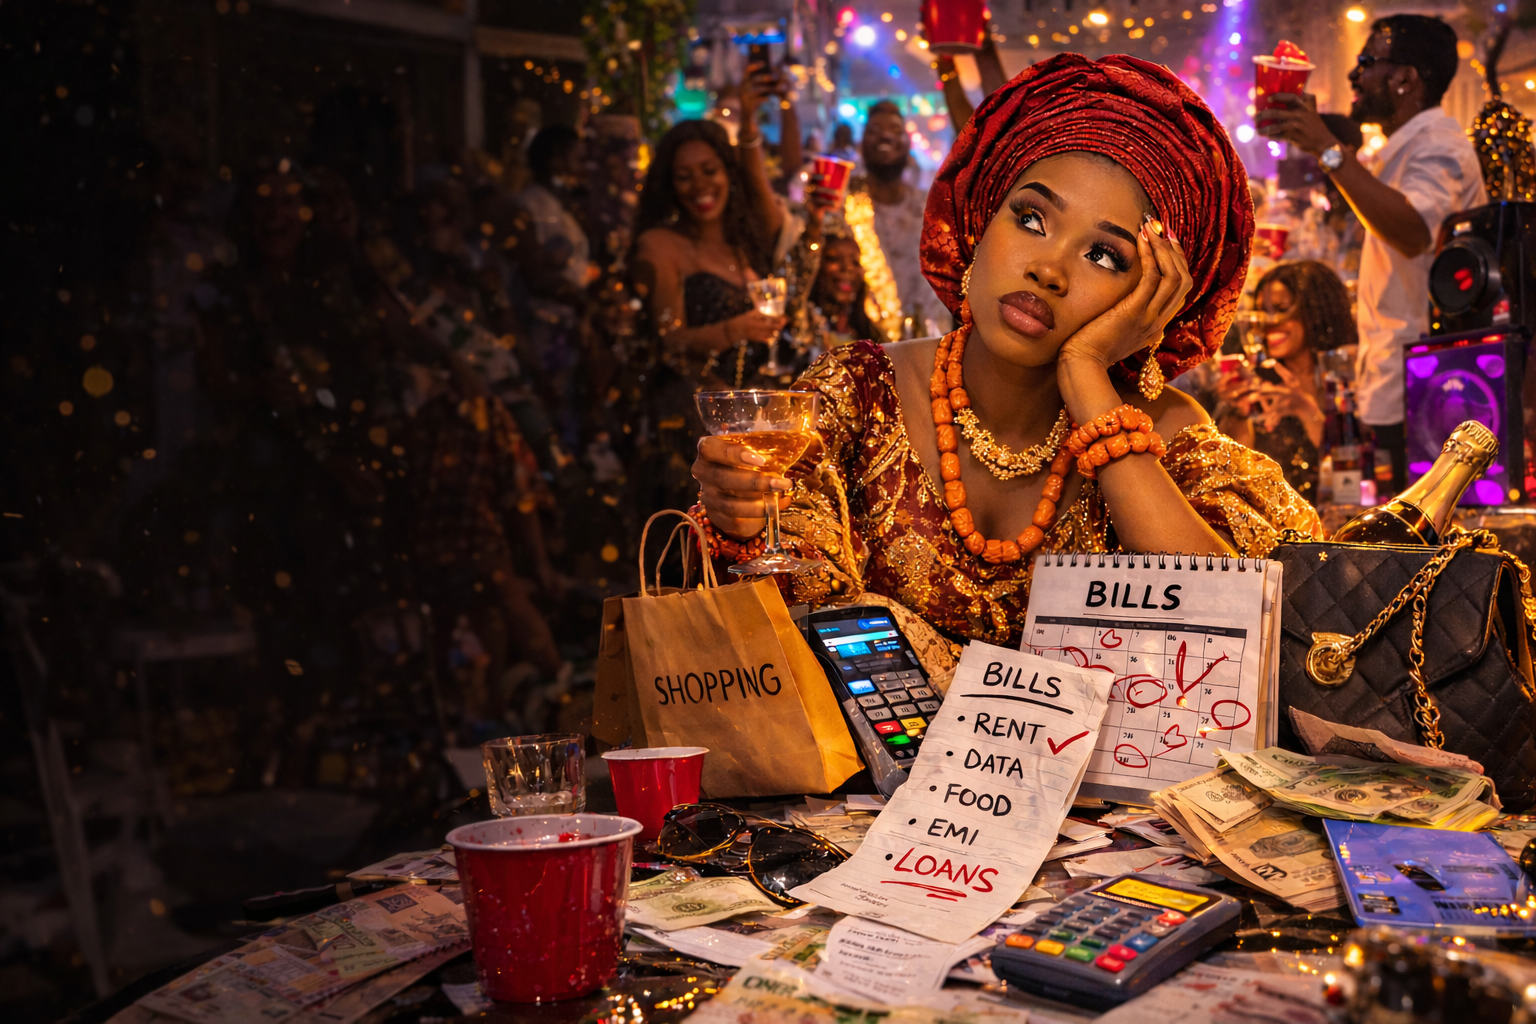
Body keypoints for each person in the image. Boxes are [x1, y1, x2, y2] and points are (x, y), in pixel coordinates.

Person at [691, 54, 1321, 651]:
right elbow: (780, 636)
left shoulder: (1170, 440)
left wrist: (1087, 379)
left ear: (1153, 297)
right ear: (979, 221)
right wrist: (738, 518)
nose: (1049, 269)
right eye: (1031, 219)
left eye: (1104, 256)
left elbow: (1234, 635)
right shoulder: (856, 396)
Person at [1258, 14, 1487, 492]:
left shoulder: (1438, 143)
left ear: (1405, 79)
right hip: (1394, 383)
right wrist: (1319, 137)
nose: (1353, 76)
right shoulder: (1402, 149)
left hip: (1426, 390)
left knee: (1419, 546)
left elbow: (1413, 231)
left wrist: (1326, 147)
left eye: (1367, 62)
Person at [1215, 260, 1358, 503]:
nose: (1269, 322)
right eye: (1263, 311)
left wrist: (1306, 410)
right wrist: (1237, 412)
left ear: (1316, 311)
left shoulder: (1346, 374)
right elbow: (1231, 473)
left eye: (1281, 308)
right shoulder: (1258, 380)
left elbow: (1354, 479)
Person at [846, 100, 937, 340]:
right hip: (864, 346)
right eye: (875, 130)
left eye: (896, 131)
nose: (886, 136)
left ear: (908, 146)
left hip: (929, 345)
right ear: (861, 143)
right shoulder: (846, 207)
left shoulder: (931, 208)